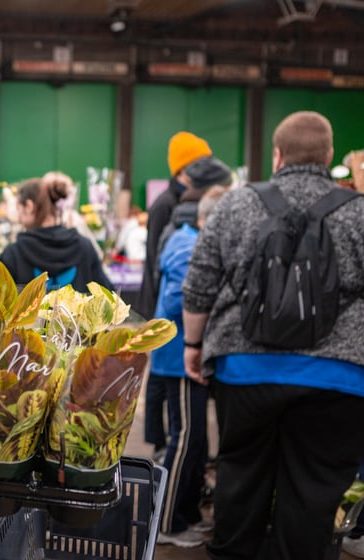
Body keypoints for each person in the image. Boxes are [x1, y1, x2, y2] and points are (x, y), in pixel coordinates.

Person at [182, 111, 364, 559]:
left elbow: (200, 281)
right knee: (313, 495)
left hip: (245, 370)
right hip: (337, 378)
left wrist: (193, 345)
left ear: (277, 156)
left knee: (240, 479)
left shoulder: (236, 205)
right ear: (328, 156)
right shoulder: (359, 211)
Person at [152, 185, 229, 548]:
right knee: (184, 440)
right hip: (179, 359)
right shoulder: (187, 245)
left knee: (195, 439)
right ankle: (165, 522)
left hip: (187, 357)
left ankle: (186, 513)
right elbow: (176, 301)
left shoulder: (190, 241)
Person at [140, 132, 214, 463]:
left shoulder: (190, 198)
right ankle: (157, 441)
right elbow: (156, 260)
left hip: (171, 300)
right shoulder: (164, 205)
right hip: (164, 299)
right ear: (184, 169)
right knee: (159, 376)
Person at [0, 171, 113, 293]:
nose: (18, 218)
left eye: (18, 209)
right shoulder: (84, 246)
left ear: (29, 206)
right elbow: (109, 295)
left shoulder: (14, 253)